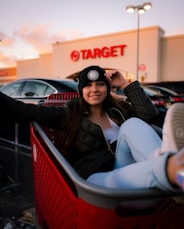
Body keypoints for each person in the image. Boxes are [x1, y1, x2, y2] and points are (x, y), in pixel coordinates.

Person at [0, 65, 184, 192]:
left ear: (107, 88)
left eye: (100, 84)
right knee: (109, 179)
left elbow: (150, 116)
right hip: (95, 183)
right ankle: (174, 167)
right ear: (80, 90)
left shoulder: (118, 112)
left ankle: (166, 162)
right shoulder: (68, 114)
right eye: (88, 85)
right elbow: (22, 111)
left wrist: (125, 85)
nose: (94, 89)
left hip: (135, 177)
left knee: (133, 124)